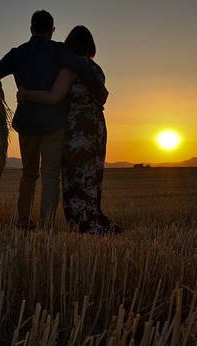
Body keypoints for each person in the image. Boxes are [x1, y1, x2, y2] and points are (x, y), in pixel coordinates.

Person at [0, 11, 108, 230]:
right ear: (51, 29)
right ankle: (45, 227)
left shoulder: (17, 53)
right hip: (53, 123)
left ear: (31, 28)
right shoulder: (58, 50)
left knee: (29, 174)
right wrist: (99, 88)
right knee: (50, 176)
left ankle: (23, 223)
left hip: (27, 123)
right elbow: (81, 66)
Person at [17, 26, 121, 235]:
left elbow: (54, 97)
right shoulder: (96, 69)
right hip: (97, 127)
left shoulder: (69, 69)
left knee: (74, 177)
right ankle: (94, 218)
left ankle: (84, 224)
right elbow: (103, 97)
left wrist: (27, 94)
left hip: (77, 128)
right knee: (91, 177)